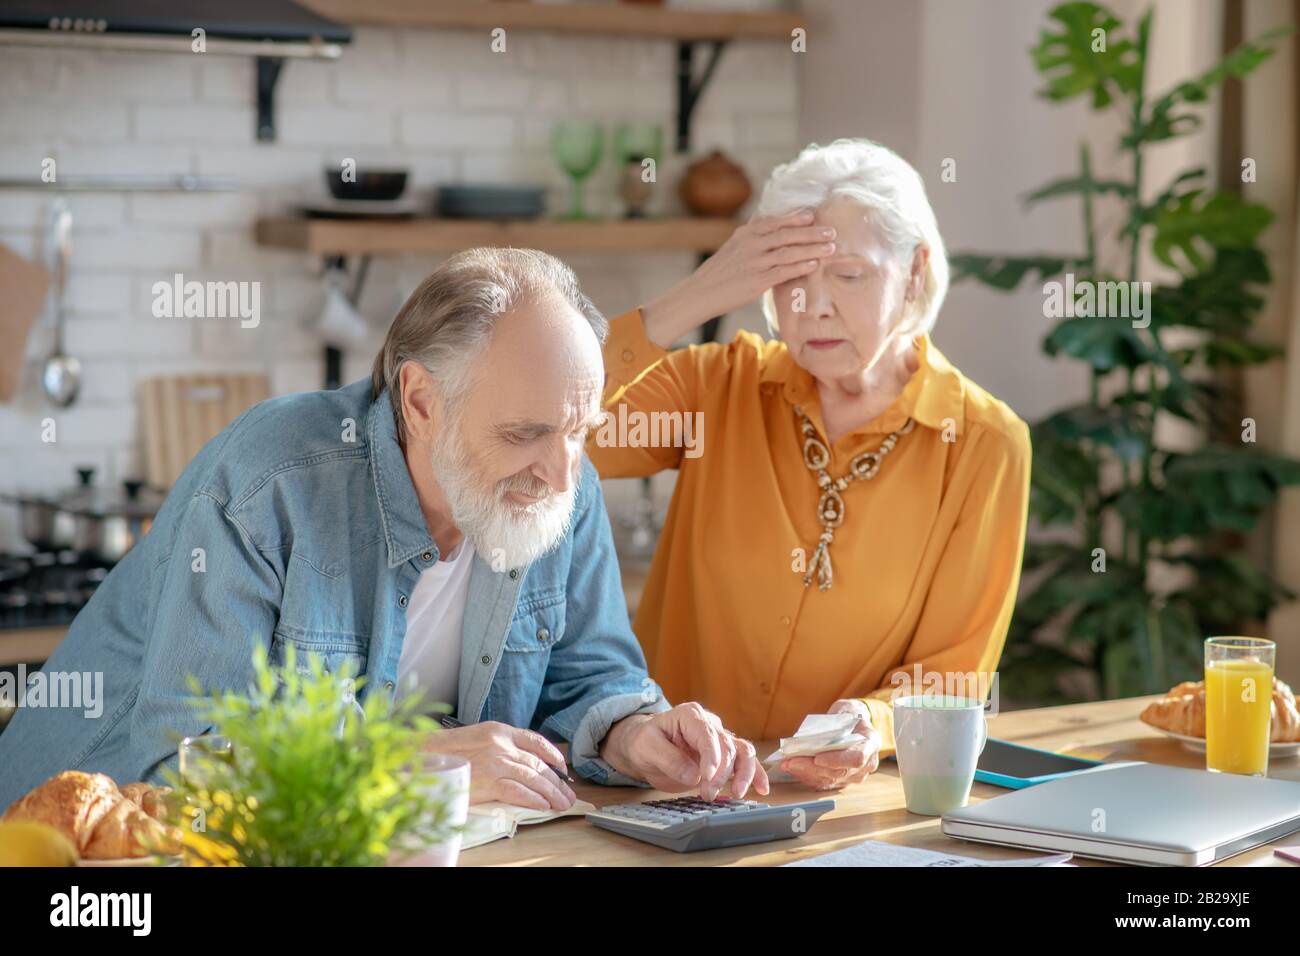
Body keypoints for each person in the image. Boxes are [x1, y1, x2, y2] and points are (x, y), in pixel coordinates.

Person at [0, 248, 769, 813]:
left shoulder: (561, 480)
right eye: (525, 433)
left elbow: (587, 675)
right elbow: (182, 762)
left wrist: (635, 731)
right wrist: (417, 766)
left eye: (579, 431)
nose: (563, 473)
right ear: (421, 401)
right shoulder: (270, 481)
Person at [586, 138, 1032, 791]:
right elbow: (546, 426)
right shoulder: (716, 385)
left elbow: (953, 672)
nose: (811, 306)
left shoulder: (984, 443)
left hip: (831, 805)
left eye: (848, 275)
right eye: (789, 277)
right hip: (662, 786)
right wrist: (692, 297)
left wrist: (870, 723)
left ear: (914, 271)